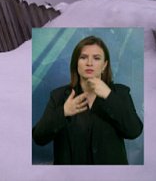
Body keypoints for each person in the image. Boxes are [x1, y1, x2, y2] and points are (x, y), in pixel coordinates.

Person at [32, 35, 143, 165]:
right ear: (76, 63)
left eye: (96, 58)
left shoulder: (120, 93)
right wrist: (63, 112)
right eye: (83, 57)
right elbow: (39, 138)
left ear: (104, 65)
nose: (89, 63)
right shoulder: (58, 96)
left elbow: (134, 131)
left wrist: (108, 96)